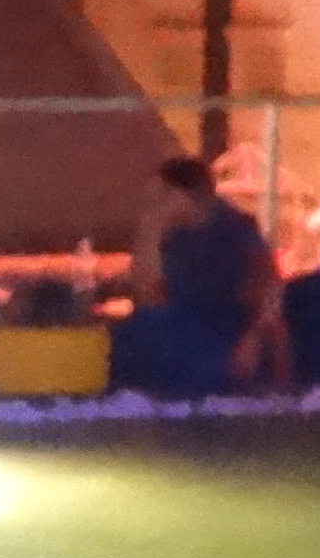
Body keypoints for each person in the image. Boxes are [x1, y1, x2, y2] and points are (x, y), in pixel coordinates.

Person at [115, 154, 289, 398]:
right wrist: (149, 235)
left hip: (227, 326)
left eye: (162, 196)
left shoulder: (235, 229)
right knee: (135, 331)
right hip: (180, 323)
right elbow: (147, 296)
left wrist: (253, 337)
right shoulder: (169, 234)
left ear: (184, 195)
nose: (154, 204)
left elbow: (270, 287)